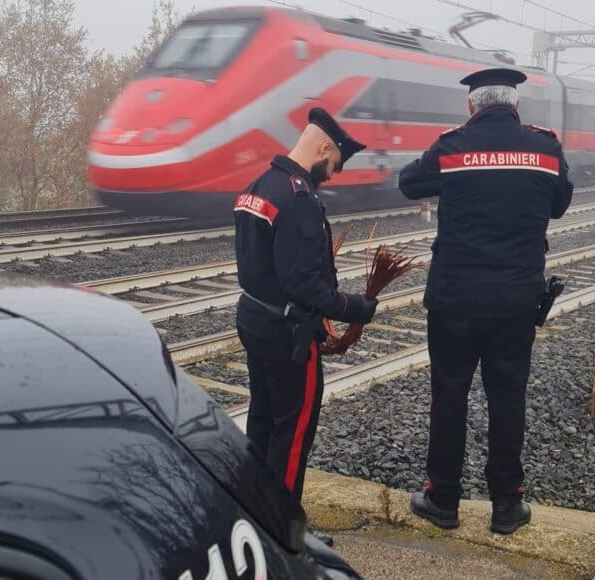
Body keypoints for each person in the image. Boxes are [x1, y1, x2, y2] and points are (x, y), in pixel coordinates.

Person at [397, 68, 573, 535]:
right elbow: (559, 205)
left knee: (449, 395)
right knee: (508, 398)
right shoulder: (545, 148)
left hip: (455, 299)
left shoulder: (452, 147)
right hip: (516, 301)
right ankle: (507, 505)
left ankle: (442, 499)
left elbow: (409, 183)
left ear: (471, 106)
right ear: (516, 105)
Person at [234, 107, 379, 507]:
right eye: (335, 164)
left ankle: (254, 510)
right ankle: (284, 526)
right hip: (288, 335)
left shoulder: (258, 186)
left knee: (262, 420)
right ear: (323, 148)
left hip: (254, 320)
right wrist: (353, 307)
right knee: (292, 431)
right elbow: (301, 283)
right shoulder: (298, 198)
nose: (332, 175)